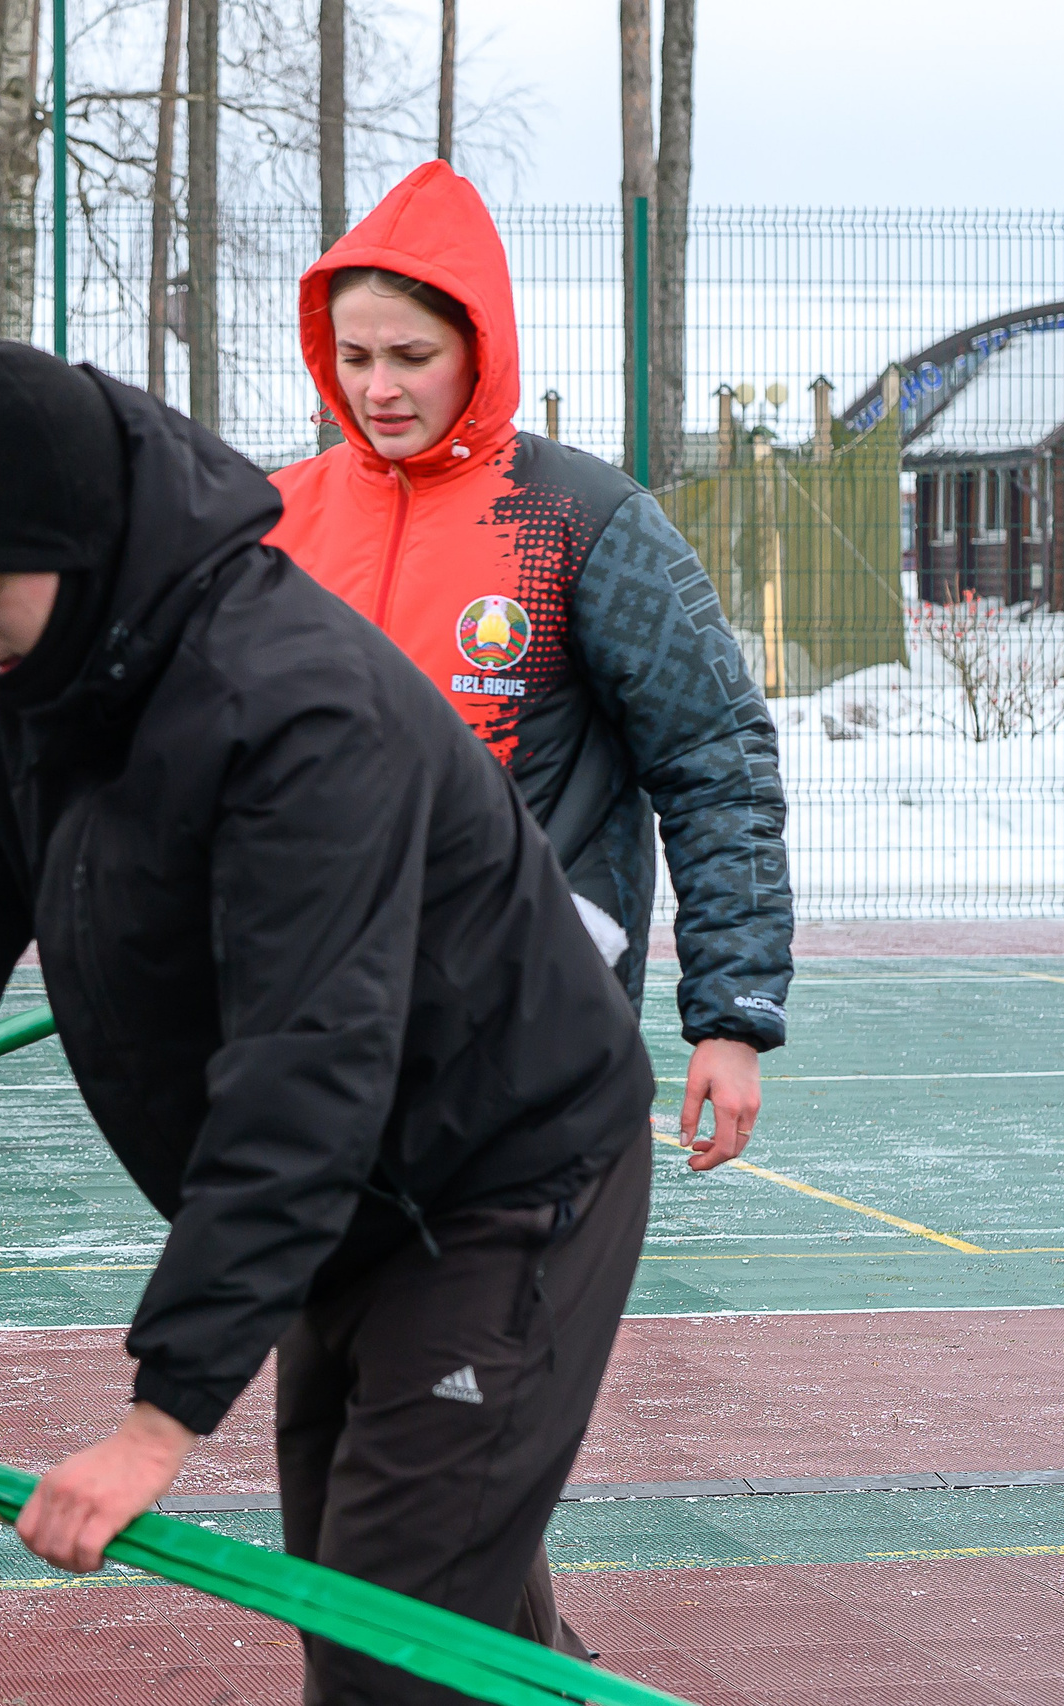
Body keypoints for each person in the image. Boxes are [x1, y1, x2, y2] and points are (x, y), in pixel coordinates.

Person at [0, 341, 656, 1706]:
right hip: (353, 1198)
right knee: (416, 1620)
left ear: (79, 548)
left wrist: (160, 1419)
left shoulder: (294, 708)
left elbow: (306, 1060)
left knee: (382, 1655)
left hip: (504, 1178)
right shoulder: (6, 694)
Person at [267, 161, 794, 1175]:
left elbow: (715, 761)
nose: (377, 388)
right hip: (314, 1025)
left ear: (478, 345)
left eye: (411, 355)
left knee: (485, 1327)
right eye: (354, 354)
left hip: (525, 1029)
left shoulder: (586, 523)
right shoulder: (281, 521)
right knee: (333, 1334)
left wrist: (730, 1018)